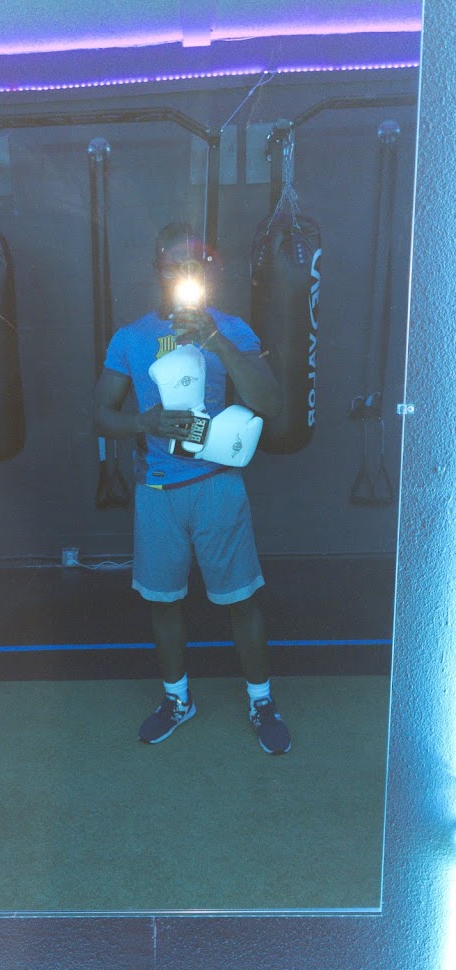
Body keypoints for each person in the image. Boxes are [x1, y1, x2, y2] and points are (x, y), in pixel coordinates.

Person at [94, 223, 291, 754]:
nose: (182, 270)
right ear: (157, 267)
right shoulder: (130, 337)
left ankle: (261, 701)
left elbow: (270, 403)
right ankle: (177, 699)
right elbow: (100, 414)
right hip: (158, 491)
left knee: (241, 598)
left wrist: (213, 339)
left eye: (193, 262)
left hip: (217, 484)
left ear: (205, 270)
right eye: (173, 262)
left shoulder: (231, 328)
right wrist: (143, 422)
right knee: (164, 602)